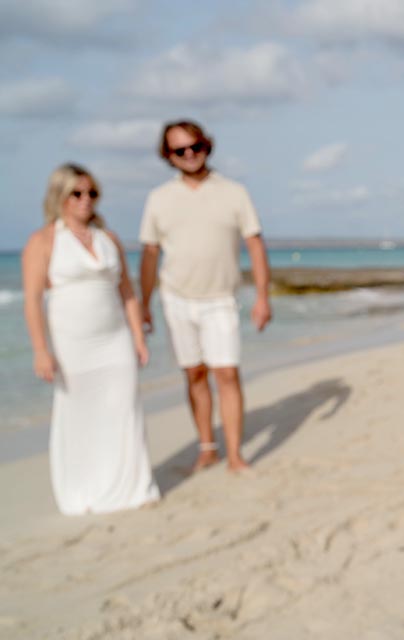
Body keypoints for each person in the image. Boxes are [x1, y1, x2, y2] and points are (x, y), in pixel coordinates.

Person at [22, 164, 159, 515]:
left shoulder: (108, 238)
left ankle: (135, 489)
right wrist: (40, 350)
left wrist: (138, 337)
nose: (86, 200)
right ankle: (86, 492)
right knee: (80, 416)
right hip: (73, 346)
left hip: (115, 341)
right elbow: (33, 300)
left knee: (125, 411)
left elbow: (127, 292)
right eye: (77, 193)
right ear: (60, 197)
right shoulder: (43, 241)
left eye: (92, 193)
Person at [139, 120, 272, 473]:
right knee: (195, 374)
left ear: (206, 146)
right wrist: (144, 305)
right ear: (168, 155)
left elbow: (255, 244)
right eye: (179, 150)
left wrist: (263, 296)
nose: (189, 155)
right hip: (176, 299)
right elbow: (150, 255)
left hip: (221, 299)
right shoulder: (158, 199)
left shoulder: (234, 192)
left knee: (226, 373)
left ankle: (235, 455)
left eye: (194, 146)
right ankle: (207, 447)